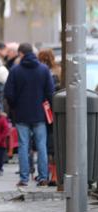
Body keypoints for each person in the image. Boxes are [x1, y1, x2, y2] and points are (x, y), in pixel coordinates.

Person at [4, 43, 55, 187]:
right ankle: (43, 177)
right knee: (41, 146)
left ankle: (24, 178)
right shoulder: (44, 70)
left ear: (20, 54)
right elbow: (50, 93)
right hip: (39, 114)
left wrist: (15, 107)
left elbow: (8, 93)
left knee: (23, 146)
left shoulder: (15, 70)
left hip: (21, 114)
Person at [37, 49, 62, 186]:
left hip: (44, 112)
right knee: (54, 143)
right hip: (56, 112)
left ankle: (48, 175)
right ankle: (54, 175)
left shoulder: (41, 71)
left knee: (47, 145)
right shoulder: (59, 70)